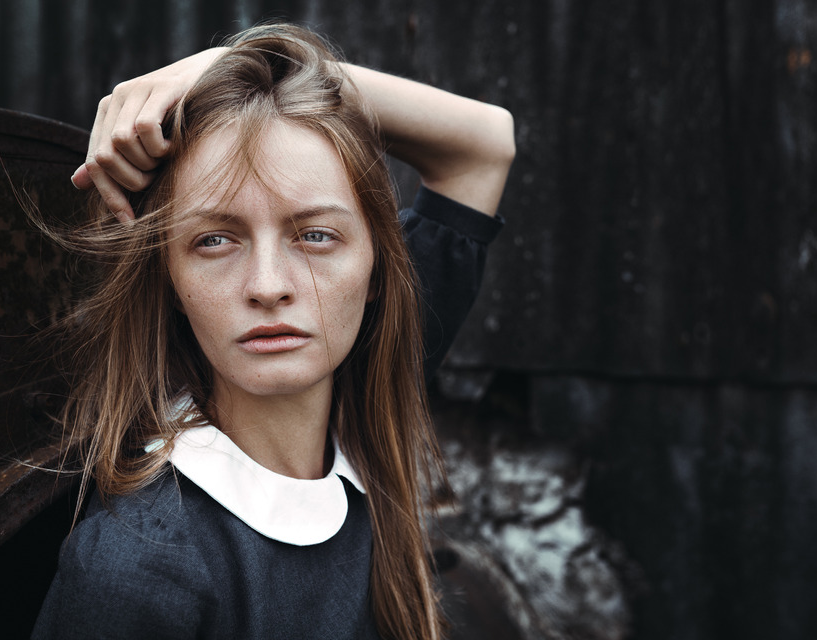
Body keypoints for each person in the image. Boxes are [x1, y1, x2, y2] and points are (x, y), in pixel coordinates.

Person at [32, 23, 514, 640]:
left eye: (315, 235)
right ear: (171, 281)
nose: (268, 285)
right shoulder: (136, 573)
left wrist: (236, 66)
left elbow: (485, 144)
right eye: (214, 240)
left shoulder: (370, 384)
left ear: (376, 272)